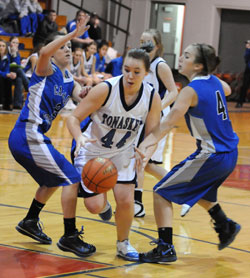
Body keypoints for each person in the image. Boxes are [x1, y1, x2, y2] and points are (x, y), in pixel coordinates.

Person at [136, 43, 241, 263]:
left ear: (198, 65)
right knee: (197, 189)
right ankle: (225, 225)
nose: (181, 58)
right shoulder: (213, 81)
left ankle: (165, 248)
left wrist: (146, 146)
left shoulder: (190, 91)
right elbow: (228, 89)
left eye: (187, 56)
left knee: (161, 192)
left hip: (212, 155)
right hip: (230, 153)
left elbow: (166, 125)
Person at [8, 14, 96, 258]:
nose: (67, 49)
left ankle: (30, 221)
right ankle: (69, 236)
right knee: (71, 178)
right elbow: (45, 51)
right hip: (27, 133)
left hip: (32, 137)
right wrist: (71, 35)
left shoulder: (69, 78)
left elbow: (82, 98)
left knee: (51, 181)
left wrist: (90, 91)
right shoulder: (45, 68)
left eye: (70, 47)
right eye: (63, 46)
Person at [66, 48, 162, 261]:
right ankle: (104, 205)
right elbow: (72, 118)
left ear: (146, 73)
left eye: (137, 72)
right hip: (92, 150)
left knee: (126, 200)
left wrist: (146, 151)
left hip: (122, 152)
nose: (130, 76)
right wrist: (78, 138)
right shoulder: (105, 89)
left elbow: (154, 132)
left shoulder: (152, 97)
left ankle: (123, 244)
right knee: (94, 206)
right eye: (127, 69)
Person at [134, 29, 178, 217]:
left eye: (149, 41)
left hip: (157, 117)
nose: (144, 44)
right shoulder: (141, 64)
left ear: (157, 45)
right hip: (143, 116)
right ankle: (179, 186)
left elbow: (173, 91)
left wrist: (158, 108)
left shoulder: (160, 65)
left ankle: (137, 203)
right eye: (142, 40)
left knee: (140, 159)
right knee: (146, 163)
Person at [8, 36, 29, 109]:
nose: (15, 45)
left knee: (19, 79)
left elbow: (17, 65)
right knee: (19, 72)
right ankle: (28, 86)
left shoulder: (17, 53)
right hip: (6, 73)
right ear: (10, 43)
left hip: (14, 74)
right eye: (13, 42)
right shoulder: (5, 51)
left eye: (17, 43)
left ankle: (17, 104)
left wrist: (14, 54)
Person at [0, 39, 16, 110]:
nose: (1, 47)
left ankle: (7, 104)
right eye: (0, 46)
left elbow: (6, 70)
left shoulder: (6, 58)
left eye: (3, 46)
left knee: (9, 80)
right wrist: (5, 74)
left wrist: (10, 74)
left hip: (2, 76)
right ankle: (1, 102)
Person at [235, 40, 250, 108]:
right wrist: (248, 49)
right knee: (244, 86)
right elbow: (246, 59)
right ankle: (240, 102)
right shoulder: (248, 50)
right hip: (249, 70)